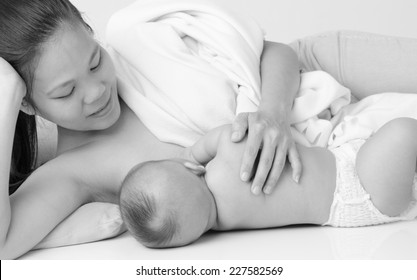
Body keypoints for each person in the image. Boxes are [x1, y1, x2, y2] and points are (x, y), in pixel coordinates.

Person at [0, 0, 301, 259]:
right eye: (66, 92)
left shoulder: (140, 50)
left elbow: (275, 52)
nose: (96, 92)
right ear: (26, 103)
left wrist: (272, 114)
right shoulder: (73, 170)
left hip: (312, 85)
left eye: (95, 62)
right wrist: (6, 96)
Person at [120, 119, 417, 248]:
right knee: (403, 131)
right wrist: (193, 151)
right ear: (189, 168)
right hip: (357, 185)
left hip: (351, 206)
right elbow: (233, 134)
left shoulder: (221, 225)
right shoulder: (221, 171)